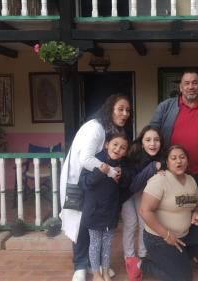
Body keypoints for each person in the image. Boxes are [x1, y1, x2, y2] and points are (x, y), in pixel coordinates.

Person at [59, 94, 131, 281]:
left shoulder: (108, 129)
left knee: (91, 224)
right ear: (110, 109)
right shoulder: (96, 128)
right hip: (81, 181)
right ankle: (80, 266)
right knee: (82, 223)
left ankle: (93, 265)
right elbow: (86, 159)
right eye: (120, 109)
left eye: (127, 111)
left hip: (94, 182)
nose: (125, 114)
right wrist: (110, 172)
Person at [150, 71, 198, 269]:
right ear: (181, 87)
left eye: (195, 83)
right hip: (172, 172)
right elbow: (152, 133)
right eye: (187, 83)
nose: (191, 87)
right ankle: (171, 247)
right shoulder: (166, 107)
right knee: (172, 210)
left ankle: (197, 251)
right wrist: (154, 163)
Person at [139, 145, 198, 281]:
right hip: (159, 239)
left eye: (182, 157)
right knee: (183, 278)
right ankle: (143, 264)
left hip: (183, 235)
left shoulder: (191, 181)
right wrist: (166, 234)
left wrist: (195, 214)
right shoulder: (160, 180)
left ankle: (178, 257)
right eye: (173, 158)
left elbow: (197, 206)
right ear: (167, 162)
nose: (179, 161)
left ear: (187, 161)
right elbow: (144, 211)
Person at [81, 132, 130, 281]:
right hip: (94, 211)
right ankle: (96, 273)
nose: (118, 149)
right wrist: (99, 172)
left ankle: (106, 271)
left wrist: (123, 176)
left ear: (126, 151)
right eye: (115, 144)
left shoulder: (122, 165)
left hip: (111, 212)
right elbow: (84, 184)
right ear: (107, 144)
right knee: (95, 244)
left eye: (122, 147)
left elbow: (125, 186)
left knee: (107, 244)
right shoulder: (93, 161)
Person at [122, 125, 164, 281]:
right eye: (148, 140)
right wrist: (153, 168)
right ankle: (130, 258)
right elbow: (133, 185)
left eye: (156, 140)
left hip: (144, 193)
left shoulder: (162, 158)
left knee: (143, 222)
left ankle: (143, 255)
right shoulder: (133, 156)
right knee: (131, 223)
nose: (152, 144)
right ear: (142, 143)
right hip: (127, 193)